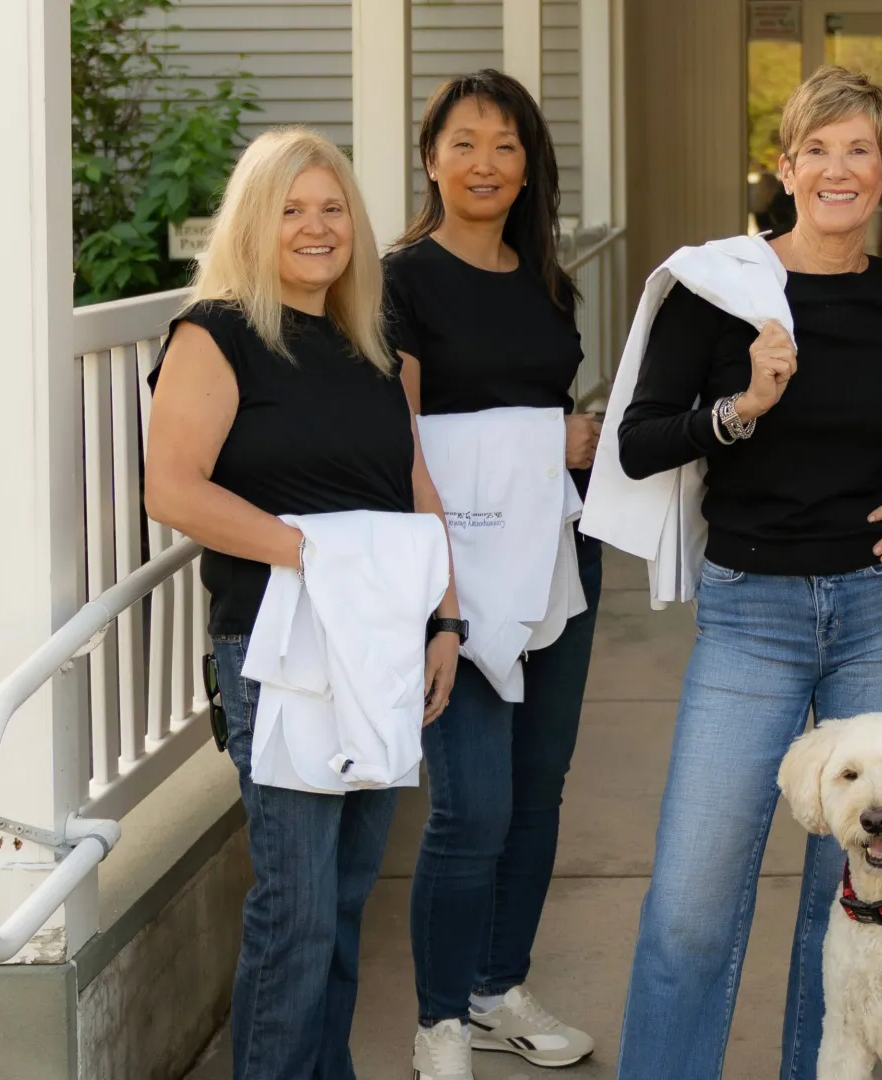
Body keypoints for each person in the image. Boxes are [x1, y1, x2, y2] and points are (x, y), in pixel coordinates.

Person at [609, 65, 882, 1080]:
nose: (836, 167)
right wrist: (741, 406)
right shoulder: (720, 291)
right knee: (691, 901)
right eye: (814, 148)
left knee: (864, 893)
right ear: (783, 166)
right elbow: (638, 441)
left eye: (858, 148)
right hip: (751, 621)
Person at [143, 127, 462, 1080]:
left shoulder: (371, 342)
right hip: (276, 647)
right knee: (295, 907)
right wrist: (314, 557)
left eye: (332, 209)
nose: (316, 227)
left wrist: (444, 620)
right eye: (291, 209)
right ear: (253, 221)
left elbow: (416, 486)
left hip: (381, 643)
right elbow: (173, 488)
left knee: (348, 894)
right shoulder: (217, 333)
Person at [382, 70, 604, 1080]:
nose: (484, 162)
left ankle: (495, 991)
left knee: (538, 788)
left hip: (556, 552)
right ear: (431, 158)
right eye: (463, 142)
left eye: (505, 146)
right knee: (471, 802)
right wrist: (440, 596)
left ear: (527, 170)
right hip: (452, 564)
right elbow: (401, 440)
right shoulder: (399, 280)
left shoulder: (545, 279)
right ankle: (438, 1019)